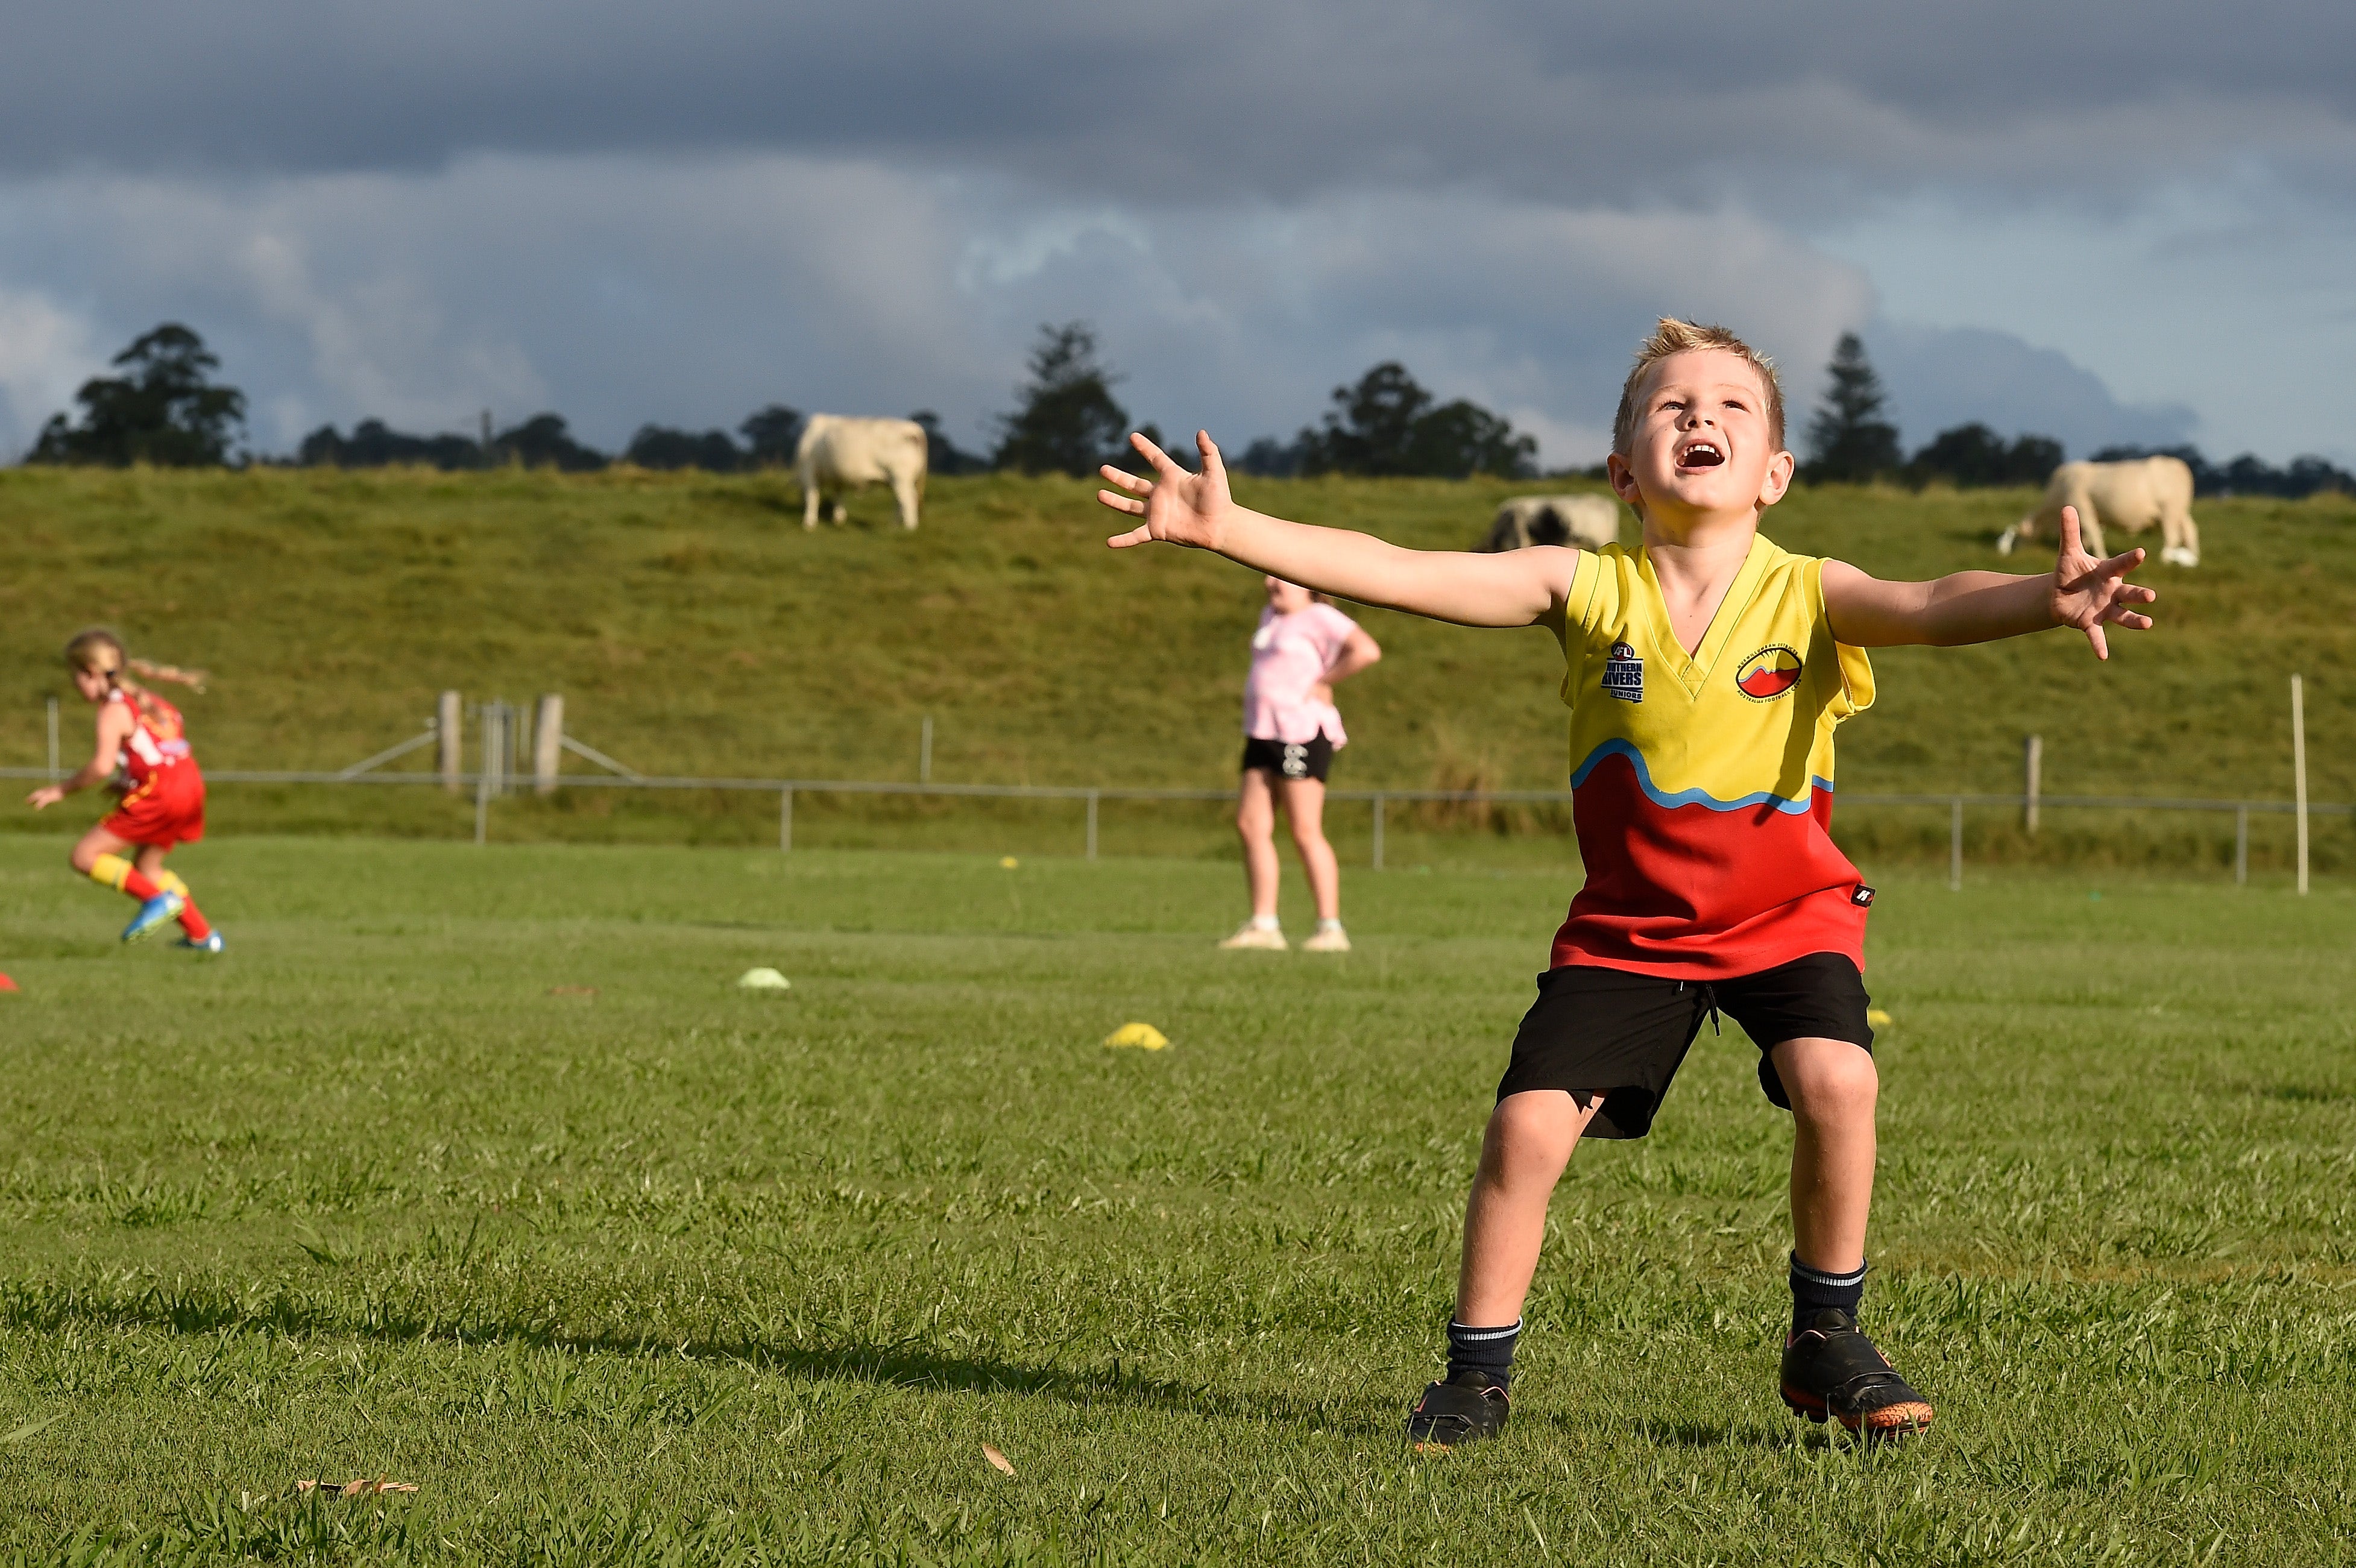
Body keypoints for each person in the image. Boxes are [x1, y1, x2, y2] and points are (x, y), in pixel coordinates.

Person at [1097, 318, 2155, 1449]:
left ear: (1774, 475)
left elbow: (1932, 598)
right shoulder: (1585, 587)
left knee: (1838, 1083)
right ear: (1620, 475)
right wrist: (1229, 527)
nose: (1699, 418)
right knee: (1524, 1131)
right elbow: (1404, 572)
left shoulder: (1809, 592)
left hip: (1784, 916)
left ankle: (1825, 1336)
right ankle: (1473, 1375)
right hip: (1628, 932)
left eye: (1729, 409)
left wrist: (2041, 601)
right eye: (1670, 406)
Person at [25, 630, 223, 952]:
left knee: (85, 856)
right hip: (189, 786)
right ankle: (204, 938)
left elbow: (101, 767)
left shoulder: (113, 709)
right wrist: (131, 779)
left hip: (161, 792)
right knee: (148, 867)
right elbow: (162, 747)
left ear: (90, 672)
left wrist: (61, 790)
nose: (75, 685)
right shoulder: (146, 699)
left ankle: (157, 900)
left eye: (75, 677)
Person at [1221, 575, 1382, 952]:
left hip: (1301, 732)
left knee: (1304, 829)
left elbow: (1366, 650)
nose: (1268, 582)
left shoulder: (1321, 617)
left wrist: (1325, 681)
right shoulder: (1270, 616)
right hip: (1262, 731)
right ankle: (1265, 925)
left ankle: (1330, 928)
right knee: (1250, 824)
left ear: (1304, 583)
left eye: (1279, 577)